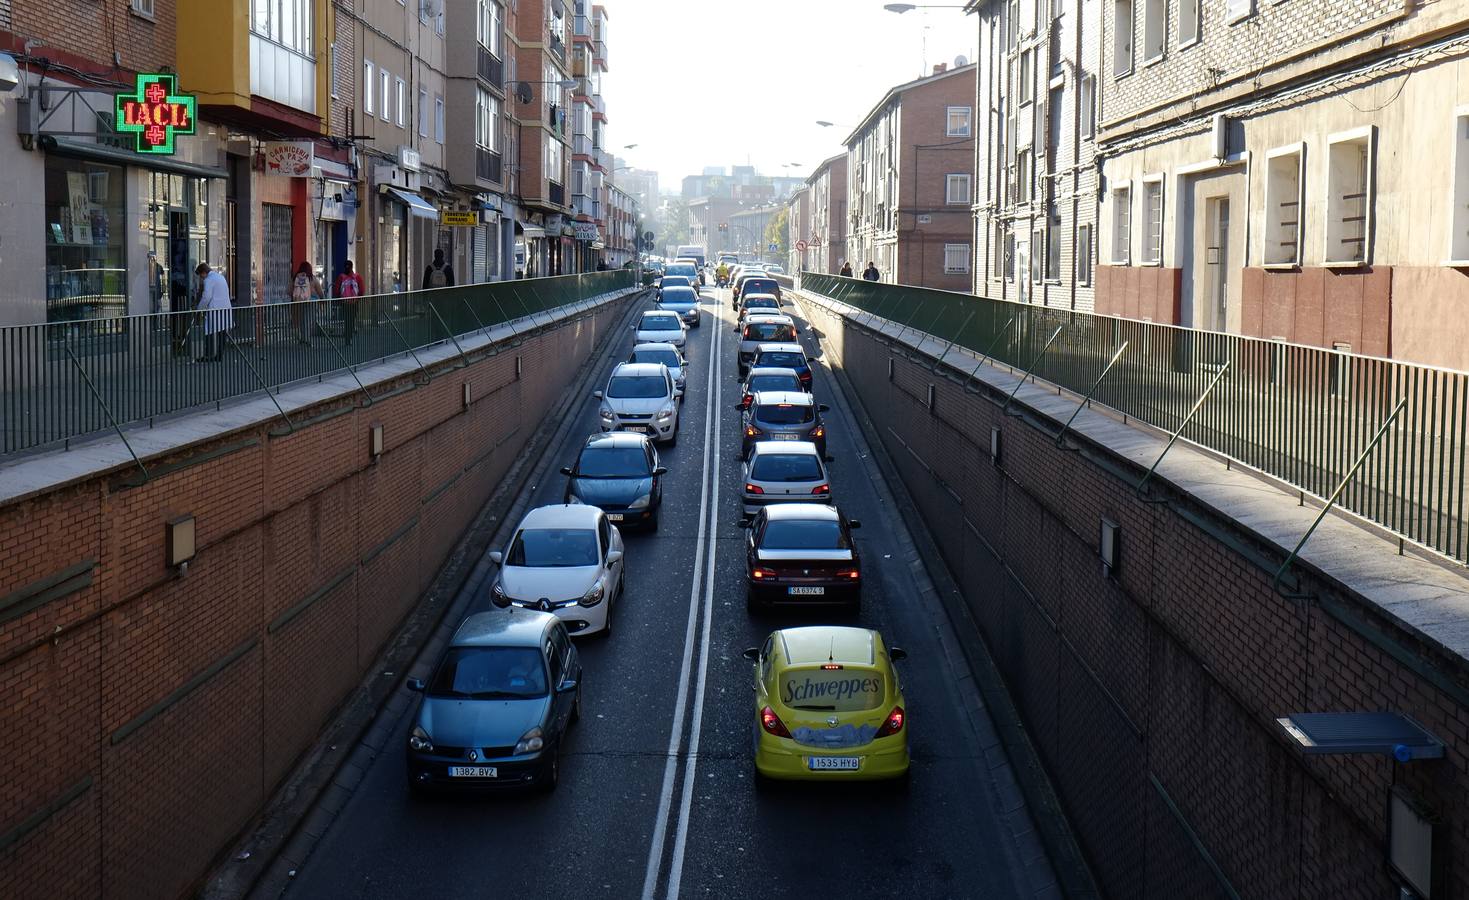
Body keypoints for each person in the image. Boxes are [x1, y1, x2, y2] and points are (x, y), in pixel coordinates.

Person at [195, 263, 233, 362]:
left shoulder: (208, 280)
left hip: (215, 309)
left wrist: (199, 309)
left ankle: (208, 355)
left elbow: (206, 297)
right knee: (222, 333)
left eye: (200, 275)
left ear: (203, 272)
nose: (201, 278)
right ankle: (219, 355)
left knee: (210, 332)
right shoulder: (220, 277)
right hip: (225, 309)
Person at [292, 261, 325, 346]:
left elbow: (288, 290)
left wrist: (296, 296)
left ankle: (303, 338)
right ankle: (306, 340)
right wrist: (322, 299)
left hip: (299, 302)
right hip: (311, 303)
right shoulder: (312, 278)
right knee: (308, 321)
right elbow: (320, 291)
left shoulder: (296, 278)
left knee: (302, 321)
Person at [334, 260, 365, 347]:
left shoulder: (341, 277)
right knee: (351, 320)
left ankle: (347, 338)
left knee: (346, 320)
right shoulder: (357, 277)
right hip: (354, 302)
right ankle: (349, 337)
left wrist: (338, 299)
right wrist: (358, 298)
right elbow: (361, 290)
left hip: (344, 302)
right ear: (352, 267)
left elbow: (336, 290)